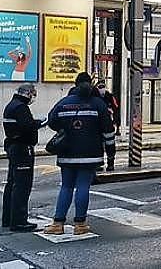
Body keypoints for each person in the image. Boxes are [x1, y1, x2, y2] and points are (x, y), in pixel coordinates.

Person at [43, 73, 115, 236]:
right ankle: (80, 224)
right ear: (91, 84)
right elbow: (108, 131)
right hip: (90, 154)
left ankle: (58, 223)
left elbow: (52, 121)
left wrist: (67, 128)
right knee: (83, 186)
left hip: (67, 152)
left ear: (75, 85)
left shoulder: (64, 103)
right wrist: (110, 154)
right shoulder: (98, 104)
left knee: (66, 186)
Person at [2, 84, 44, 232]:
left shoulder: (11, 105)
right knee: (22, 186)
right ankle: (19, 221)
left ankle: (8, 218)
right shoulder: (21, 108)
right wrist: (40, 123)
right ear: (27, 94)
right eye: (32, 94)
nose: (33, 98)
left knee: (12, 184)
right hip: (22, 148)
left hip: (13, 147)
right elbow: (27, 126)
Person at [96, 82, 120, 171]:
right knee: (99, 146)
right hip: (98, 125)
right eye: (100, 87)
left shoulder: (110, 96)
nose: (101, 89)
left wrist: (116, 122)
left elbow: (116, 108)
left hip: (108, 124)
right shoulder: (95, 97)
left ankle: (110, 163)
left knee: (110, 145)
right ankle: (99, 164)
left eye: (103, 87)